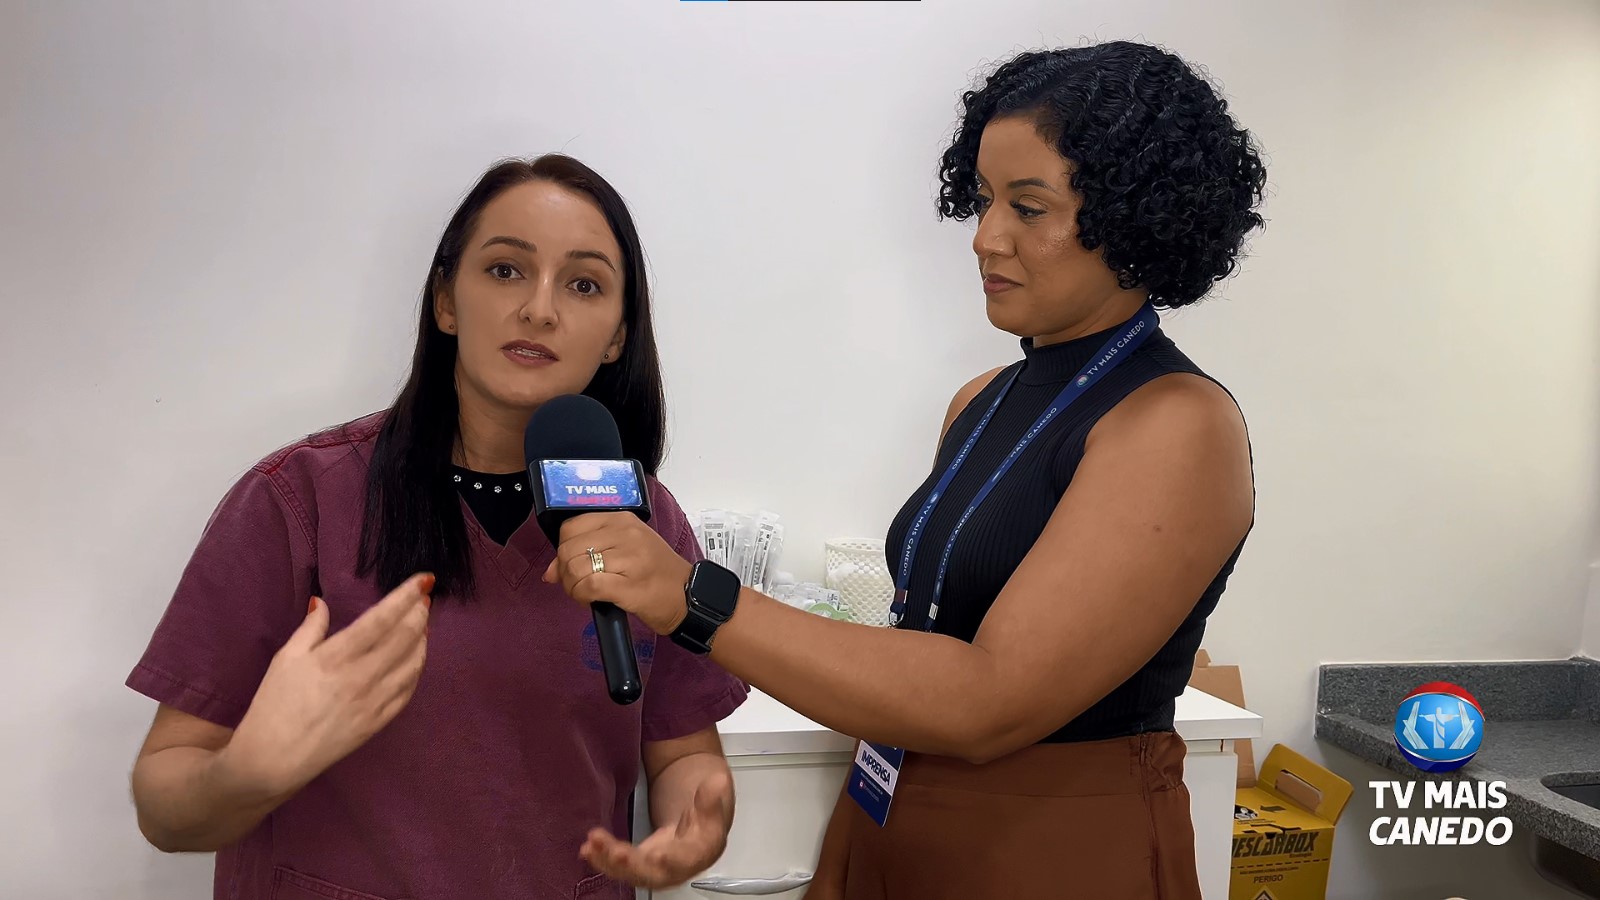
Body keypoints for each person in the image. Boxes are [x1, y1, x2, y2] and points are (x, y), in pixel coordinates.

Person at [543, 41, 1265, 899]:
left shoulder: (1177, 423)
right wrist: (852, 847)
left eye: (1029, 207)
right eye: (984, 199)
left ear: (1138, 217)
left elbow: (987, 701)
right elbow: (918, 651)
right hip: (903, 816)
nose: (986, 237)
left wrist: (694, 598)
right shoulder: (981, 400)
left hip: (1054, 848)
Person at [125, 154, 749, 900]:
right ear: (446, 302)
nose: (540, 310)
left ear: (618, 334)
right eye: (506, 270)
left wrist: (695, 823)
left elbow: (683, 754)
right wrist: (247, 773)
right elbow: (164, 804)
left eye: (584, 284)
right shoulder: (297, 501)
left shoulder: (648, 522)